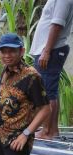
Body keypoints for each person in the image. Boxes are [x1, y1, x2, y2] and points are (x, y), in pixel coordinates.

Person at [30, 0, 73, 139]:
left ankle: (47, 131)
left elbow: (57, 24)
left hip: (51, 50)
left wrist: (47, 51)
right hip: (48, 50)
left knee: (47, 92)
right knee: (50, 92)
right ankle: (51, 130)